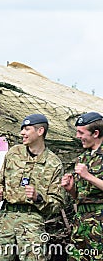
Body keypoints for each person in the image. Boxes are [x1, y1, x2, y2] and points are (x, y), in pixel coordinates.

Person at [0, 114, 65, 261]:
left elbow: (58, 203)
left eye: (27, 129)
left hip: (32, 221)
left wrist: (39, 198)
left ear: (40, 131)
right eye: (22, 129)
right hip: (6, 219)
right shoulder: (13, 154)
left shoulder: (53, 163)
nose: (22, 133)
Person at [61, 112, 103, 261]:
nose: (78, 136)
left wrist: (88, 176)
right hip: (81, 223)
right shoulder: (83, 158)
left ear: (96, 133)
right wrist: (71, 189)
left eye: (81, 132)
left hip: (100, 224)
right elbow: (80, 197)